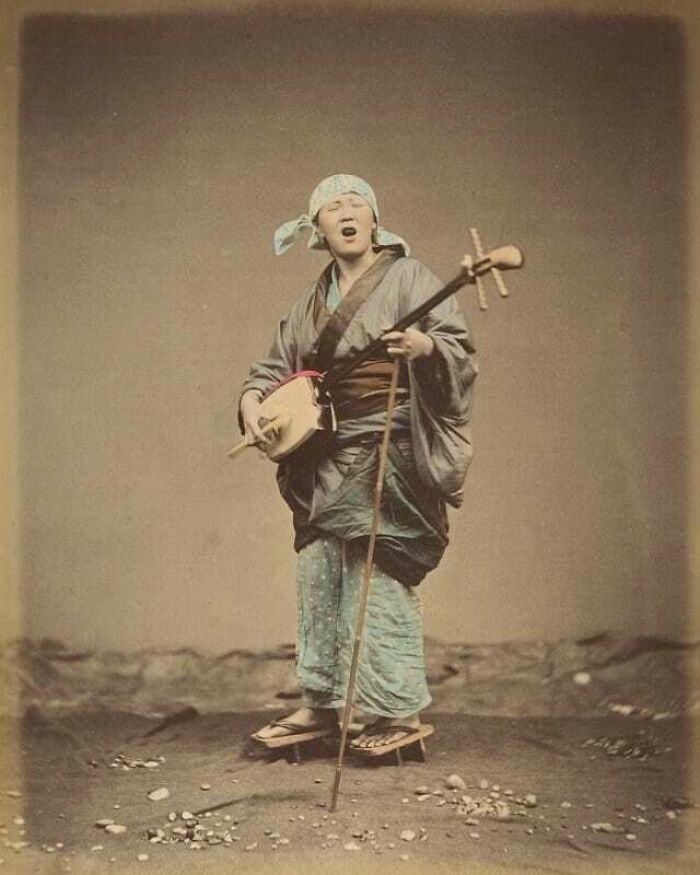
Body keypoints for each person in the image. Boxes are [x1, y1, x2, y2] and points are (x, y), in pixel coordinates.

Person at [238, 174, 477, 753]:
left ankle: (397, 710)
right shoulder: (311, 301)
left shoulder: (410, 278)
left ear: (374, 220)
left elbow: (458, 352)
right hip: (321, 451)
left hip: (388, 447)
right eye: (333, 208)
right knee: (317, 572)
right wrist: (252, 404)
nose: (346, 214)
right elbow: (273, 369)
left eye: (355, 205)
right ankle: (321, 703)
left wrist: (424, 348)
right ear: (317, 230)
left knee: (377, 574)